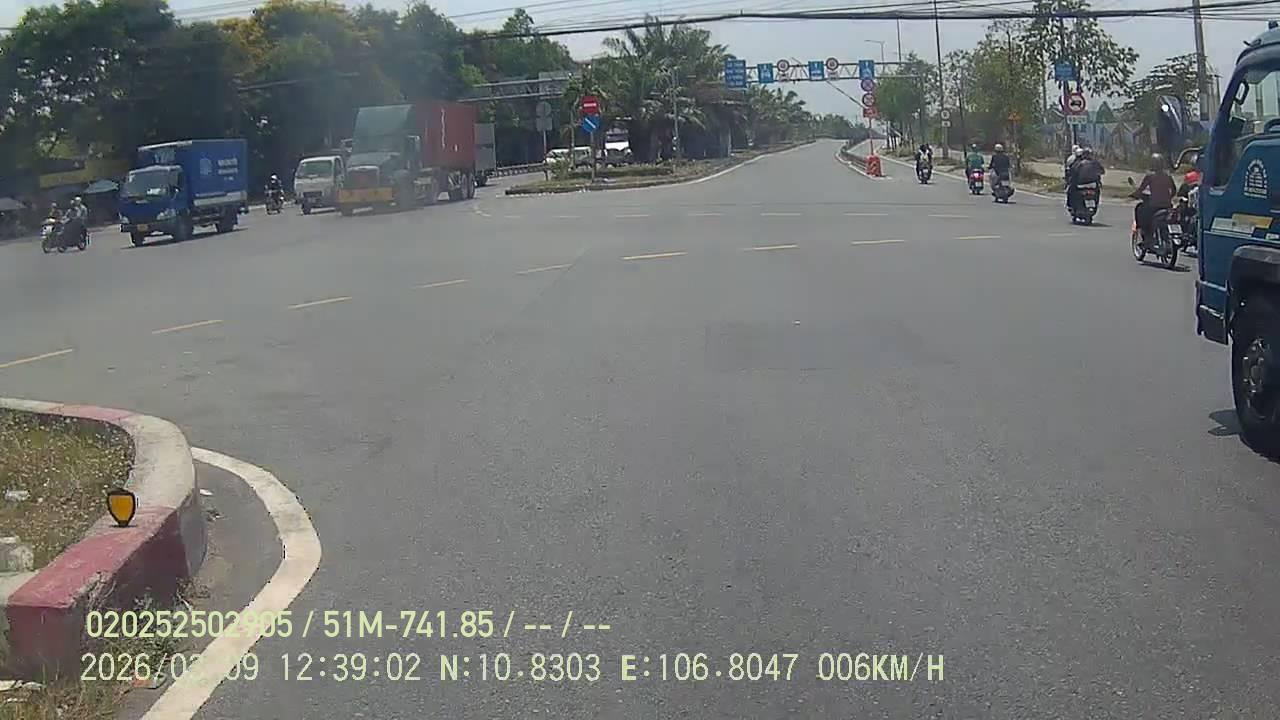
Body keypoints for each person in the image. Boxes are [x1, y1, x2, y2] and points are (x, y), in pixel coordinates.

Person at [1132, 153, 1177, 239]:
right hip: (1167, 205)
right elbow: (1174, 190)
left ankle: (1145, 232)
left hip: (1154, 205)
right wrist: (1168, 198)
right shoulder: (1168, 176)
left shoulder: (1150, 176)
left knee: (1140, 209)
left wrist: (1135, 194)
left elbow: (1141, 189)